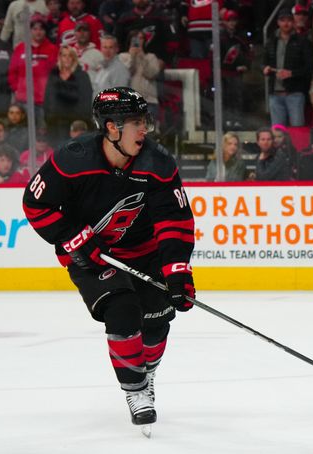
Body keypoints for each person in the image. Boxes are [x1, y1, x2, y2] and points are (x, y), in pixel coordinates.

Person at [21, 87, 196, 432]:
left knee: (158, 319)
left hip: (146, 251)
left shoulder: (157, 164)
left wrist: (177, 271)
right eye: (135, 122)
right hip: (92, 254)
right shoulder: (72, 160)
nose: (143, 128)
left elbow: (174, 220)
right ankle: (136, 390)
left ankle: (147, 374)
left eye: (144, 120)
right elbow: (34, 203)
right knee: (122, 309)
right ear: (112, 128)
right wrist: (71, 237)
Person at [263, 10, 313, 128]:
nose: (286, 24)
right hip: (275, 93)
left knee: (297, 129)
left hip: (295, 93)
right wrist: (265, 69)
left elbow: (309, 67)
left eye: (289, 20)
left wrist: (292, 73)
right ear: (278, 22)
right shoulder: (271, 41)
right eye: (283, 20)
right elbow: (264, 63)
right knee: (277, 132)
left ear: (293, 22)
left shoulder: (303, 42)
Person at [44, 45, 93, 146]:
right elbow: (48, 98)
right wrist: (48, 118)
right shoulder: (54, 75)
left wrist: (80, 123)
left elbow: (86, 100)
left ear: (74, 58)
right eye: (64, 55)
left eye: (69, 56)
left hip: (74, 124)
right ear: (60, 58)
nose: (66, 59)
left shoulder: (82, 76)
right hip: (55, 125)